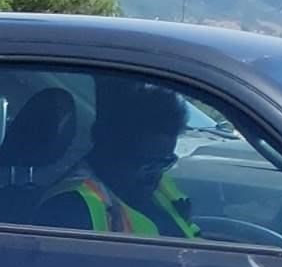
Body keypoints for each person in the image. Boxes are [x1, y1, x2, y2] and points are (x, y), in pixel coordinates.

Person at [40, 78, 200, 237]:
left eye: (166, 161)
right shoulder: (71, 208)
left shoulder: (158, 188)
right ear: (110, 151)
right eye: (145, 164)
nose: (155, 175)